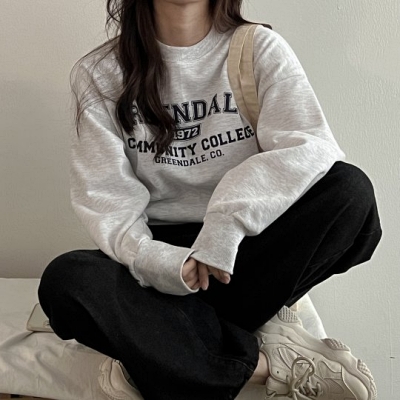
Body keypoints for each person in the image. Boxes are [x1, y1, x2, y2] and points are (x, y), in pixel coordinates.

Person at [38, 1, 382, 399]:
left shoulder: (257, 49)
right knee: (67, 281)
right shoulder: (100, 73)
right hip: (158, 257)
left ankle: (168, 352)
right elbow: (106, 199)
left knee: (349, 193)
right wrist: (157, 261)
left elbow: (308, 148)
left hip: (240, 252)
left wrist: (226, 226)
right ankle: (270, 365)